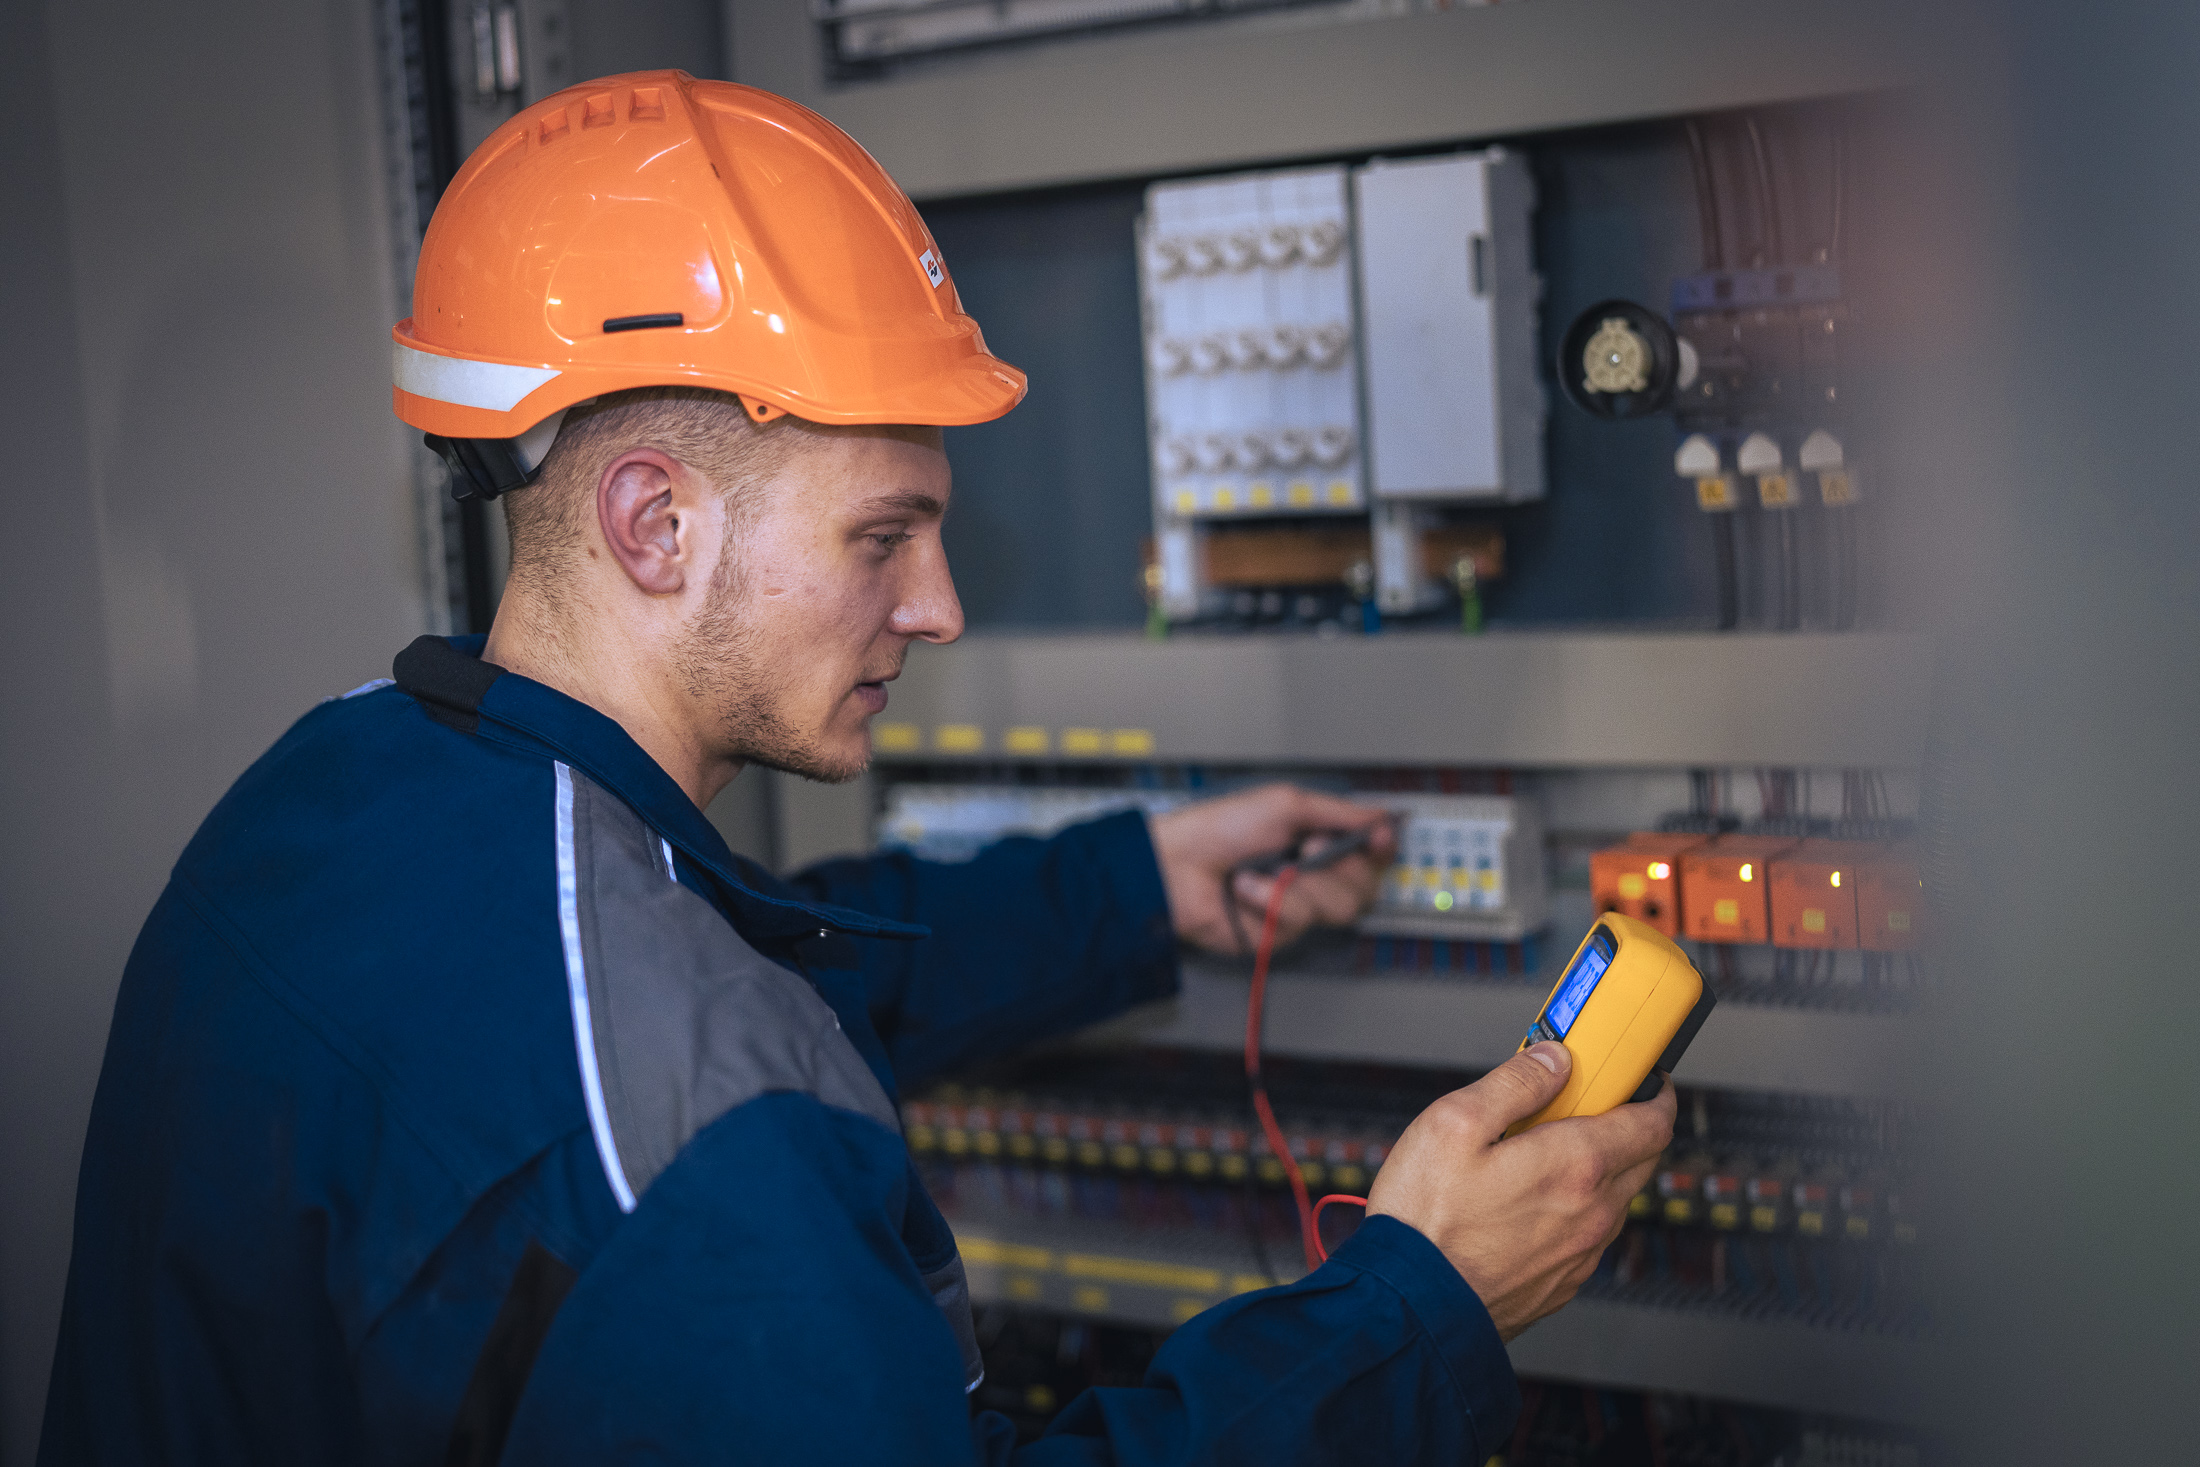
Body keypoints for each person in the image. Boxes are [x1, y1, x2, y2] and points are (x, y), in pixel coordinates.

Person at [39, 71, 1673, 1464]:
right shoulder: (688, 1152)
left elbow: (710, 977)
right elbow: (689, 1069)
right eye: (883, 535)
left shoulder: (334, 800)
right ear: (656, 524)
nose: (941, 608)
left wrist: (1137, 886)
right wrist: (1416, 1303)